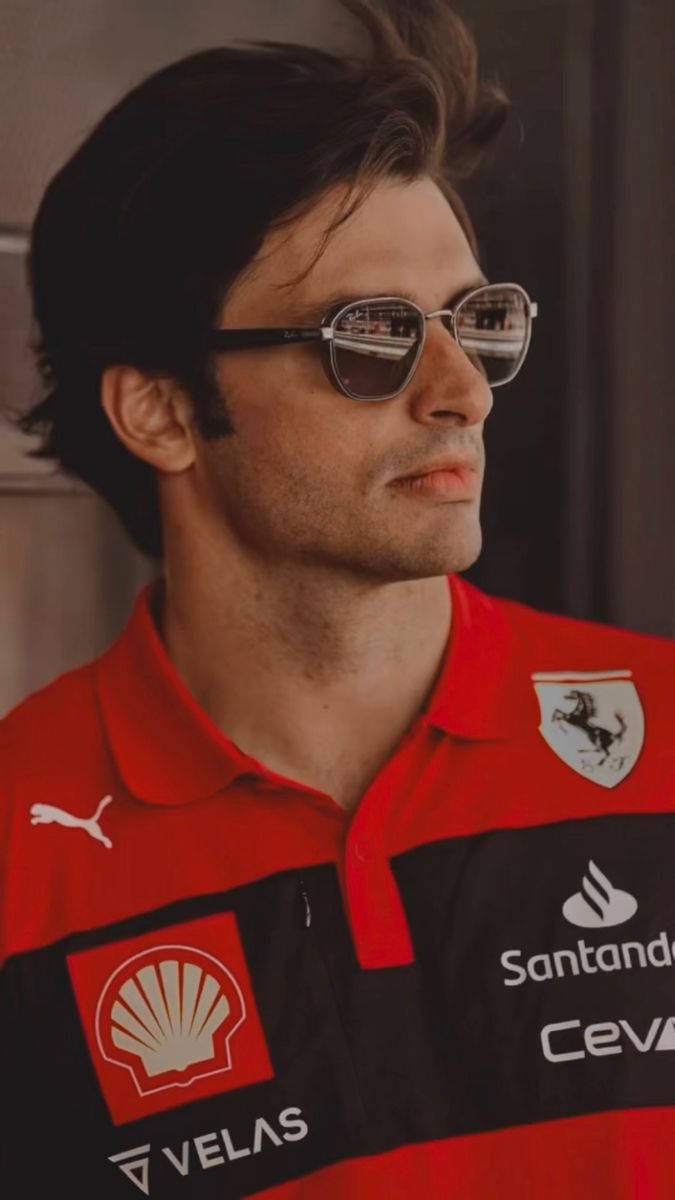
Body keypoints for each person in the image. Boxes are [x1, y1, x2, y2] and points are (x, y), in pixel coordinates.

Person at [2, 2, 675, 1196]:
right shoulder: (20, 842)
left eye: (478, 322)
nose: (461, 388)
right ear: (159, 410)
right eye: (370, 336)